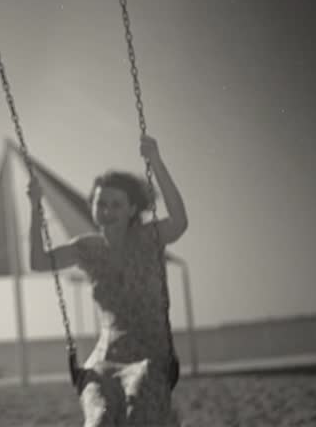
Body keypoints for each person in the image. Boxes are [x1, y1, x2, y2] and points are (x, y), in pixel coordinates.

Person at [27, 134, 188, 426]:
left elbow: (179, 221)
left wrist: (156, 162)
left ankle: (165, 415)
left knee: (139, 409)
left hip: (151, 355)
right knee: (99, 420)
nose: (108, 211)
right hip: (104, 359)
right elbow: (39, 262)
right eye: (101, 204)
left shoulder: (148, 238)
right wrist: (35, 209)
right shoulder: (86, 249)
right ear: (92, 208)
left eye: (116, 205)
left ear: (131, 209)